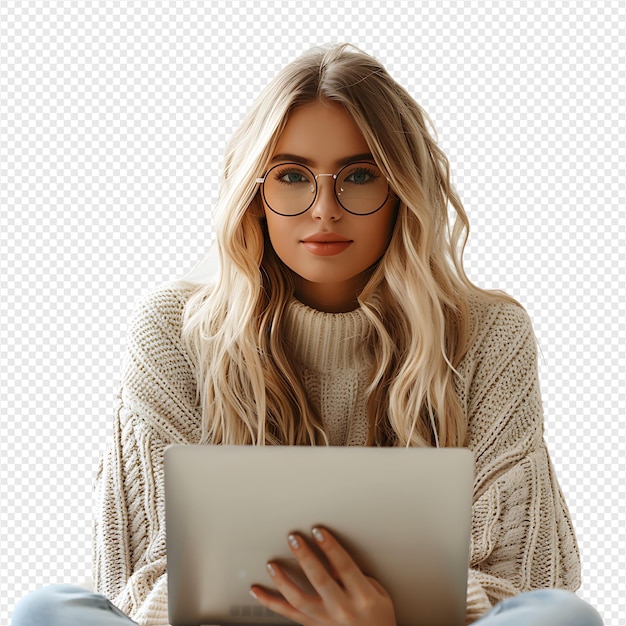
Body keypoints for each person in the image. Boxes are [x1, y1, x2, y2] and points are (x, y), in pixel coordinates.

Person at [12, 43, 603, 626]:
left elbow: (528, 579)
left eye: (360, 174)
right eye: (292, 175)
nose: (324, 209)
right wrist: (279, 607)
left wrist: (380, 618)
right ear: (254, 194)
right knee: (46, 610)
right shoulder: (173, 327)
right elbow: (134, 577)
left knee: (561, 617)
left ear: (400, 192)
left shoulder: (488, 333)